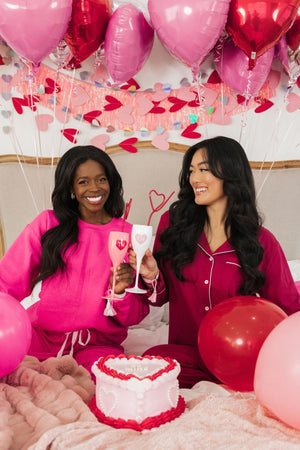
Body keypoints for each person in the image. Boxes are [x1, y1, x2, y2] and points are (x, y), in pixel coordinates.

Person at [129, 136, 300, 388]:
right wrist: (151, 274)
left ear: (230, 173)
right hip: (189, 357)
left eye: (204, 169)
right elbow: (157, 298)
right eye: (191, 171)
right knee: (150, 363)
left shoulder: (261, 242)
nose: (194, 178)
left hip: (241, 360)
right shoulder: (173, 224)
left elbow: (286, 309)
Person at [0, 145, 149, 379]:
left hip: (97, 346)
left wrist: (121, 291)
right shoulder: (48, 224)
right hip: (39, 340)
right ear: (70, 186)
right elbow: (8, 280)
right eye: (83, 182)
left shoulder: (128, 235)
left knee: (119, 386)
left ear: (111, 182)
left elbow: (135, 315)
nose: (94, 188)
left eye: (101, 179)